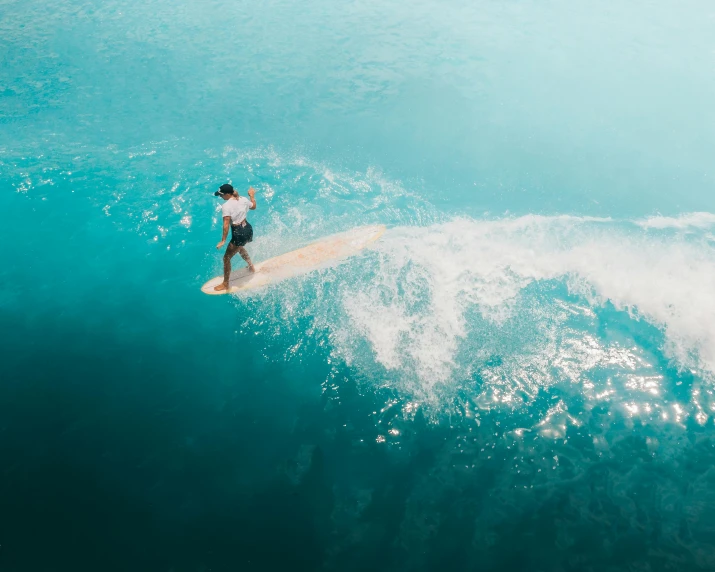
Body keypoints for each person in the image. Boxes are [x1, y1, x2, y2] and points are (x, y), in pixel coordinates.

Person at [213, 183, 257, 291]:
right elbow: (254, 206)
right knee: (240, 248)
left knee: (226, 258)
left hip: (239, 232)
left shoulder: (226, 206)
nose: (220, 197)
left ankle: (225, 284)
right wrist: (251, 195)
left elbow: (226, 225)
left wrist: (223, 240)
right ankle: (251, 266)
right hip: (248, 229)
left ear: (228, 194)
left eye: (221, 195)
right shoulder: (242, 199)